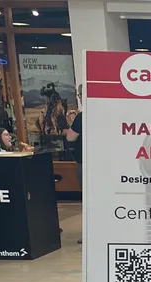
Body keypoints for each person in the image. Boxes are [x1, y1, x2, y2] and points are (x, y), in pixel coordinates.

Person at [64, 90, 83, 244]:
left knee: (89, 199)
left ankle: (89, 233)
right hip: (107, 162)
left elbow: (71, 137)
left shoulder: (83, 117)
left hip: (86, 163)